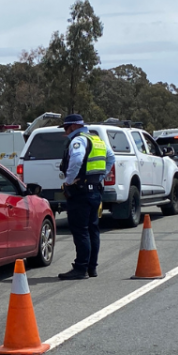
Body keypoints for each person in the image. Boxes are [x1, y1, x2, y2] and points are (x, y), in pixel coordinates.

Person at [57, 114, 116, 281]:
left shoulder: (79, 140)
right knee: (92, 229)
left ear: (74, 126)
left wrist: (68, 181)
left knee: (80, 230)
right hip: (94, 190)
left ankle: (81, 267)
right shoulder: (97, 140)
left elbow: (76, 160)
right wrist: (100, 176)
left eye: (66, 128)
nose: (65, 132)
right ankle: (91, 267)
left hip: (80, 192)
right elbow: (111, 158)